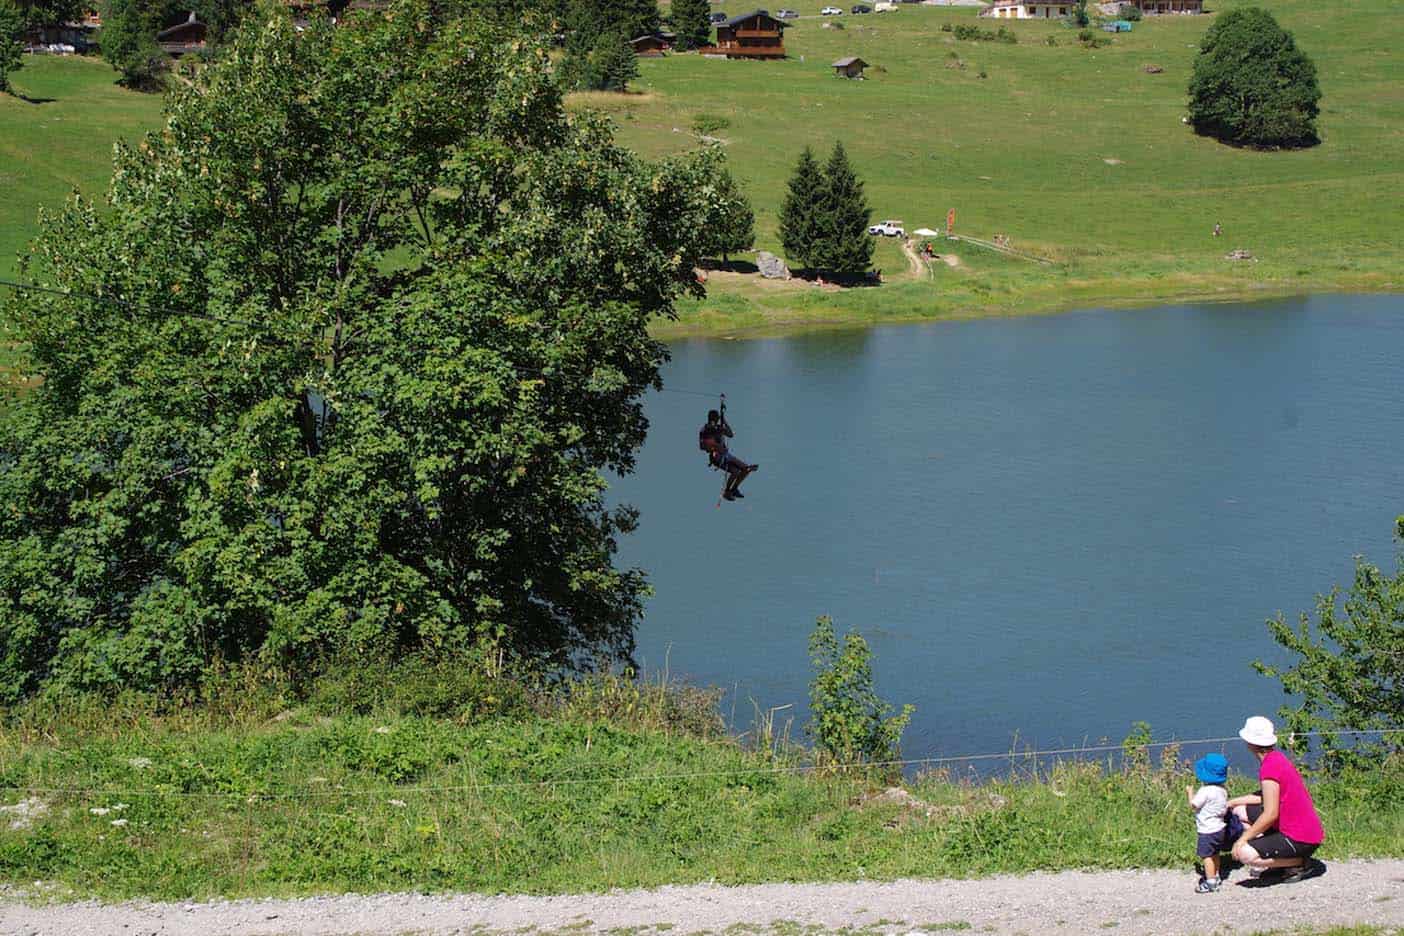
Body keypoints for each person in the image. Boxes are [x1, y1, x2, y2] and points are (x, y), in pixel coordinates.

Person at [1228, 716, 1325, 884]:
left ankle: (1300, 862)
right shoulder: (1276, 758)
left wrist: (1242, 840)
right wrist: (1232, 802)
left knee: (1245, 854)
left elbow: (1271, 813)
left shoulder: (1269, 768)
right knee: (1239, 810)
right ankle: (1278, 859)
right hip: (1303, 829)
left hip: (1301, 837)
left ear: (1250, 742)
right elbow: (1265, 796)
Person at [1187, 753, 1234, 893]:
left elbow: (1193, 805)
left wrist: (1190, 792)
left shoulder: (1204, 791)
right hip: (1220, 828)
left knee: (1206, 856)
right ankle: (1216, 874)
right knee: (1215, 853)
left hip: (1207, 830)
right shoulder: (1222, 790)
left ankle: (1210, 882)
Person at [699, 408, 758, 501]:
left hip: (726, 455)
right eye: (714, 418)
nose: (714, 420)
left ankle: (732, 490)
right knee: (737, 471)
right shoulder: (705, 429)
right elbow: (702, 446)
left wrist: (724, 421)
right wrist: (714, 446)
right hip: (717, 457)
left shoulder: (719, 427)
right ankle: (727, 492)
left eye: (716, 418)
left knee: (745, 469)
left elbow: (730, 434)